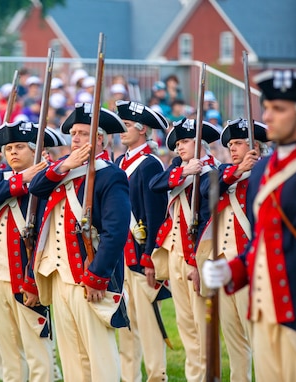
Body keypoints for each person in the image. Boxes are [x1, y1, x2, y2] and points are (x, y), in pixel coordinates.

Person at [202, 69, 296, 381]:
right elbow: (261, 241)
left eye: (278, 109)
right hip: (263, 312)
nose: (267, 116)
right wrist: (235, 270)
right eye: (267, 107)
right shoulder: (263, 170)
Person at [29, 103, 130, 381]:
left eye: (83, 133)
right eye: (73, 133)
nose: (75, 138)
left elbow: (115, 231)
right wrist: (65, 165)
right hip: (59, 276)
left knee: (100, 358)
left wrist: (98, 276)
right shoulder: (66, 170)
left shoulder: (110, 175)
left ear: (99, 139)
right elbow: (36, 187)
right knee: (72, 358)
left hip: (88, 277)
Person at [0, 121, 66, 382]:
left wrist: (34, 281)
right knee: (9, 353)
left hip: (27, 276)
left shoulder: (47, 181)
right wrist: (21, 179)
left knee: (37, 352)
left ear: (36, 151)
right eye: (9, 148)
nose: (12, 152)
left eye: (20, 147)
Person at [195, 118, 269, 382]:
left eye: (239, 143)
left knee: (257, 340)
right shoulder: (226, 172)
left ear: (256, 147)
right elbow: (206, 190)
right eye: (230, 144)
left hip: (250, 267)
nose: (232, 148)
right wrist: (237, 171)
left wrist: (253, 169)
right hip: (224, 268)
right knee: (234, 341)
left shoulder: (265, 174)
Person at [149, 118, 221, 382]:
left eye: (185, 142)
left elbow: (207, 210)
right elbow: (155, 185)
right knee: (186, 326)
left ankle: (207, 377)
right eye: (177, 143)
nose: (179, 148)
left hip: (197, 257)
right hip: (175, 253)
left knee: (203, 328)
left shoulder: (214, 172)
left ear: (200, 143)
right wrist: (185, 171)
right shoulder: (180, 170)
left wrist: (196, 170)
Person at [114, 100, 171, 382]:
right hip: (120, 258)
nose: (121, 131)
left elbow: (156, 214)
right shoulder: (119, 163)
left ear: (143, 129)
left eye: (125, 126)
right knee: (126, 328)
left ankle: (156, 375)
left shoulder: (149, 165)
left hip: (140, 256)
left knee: (149, 327)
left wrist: (151, 258)